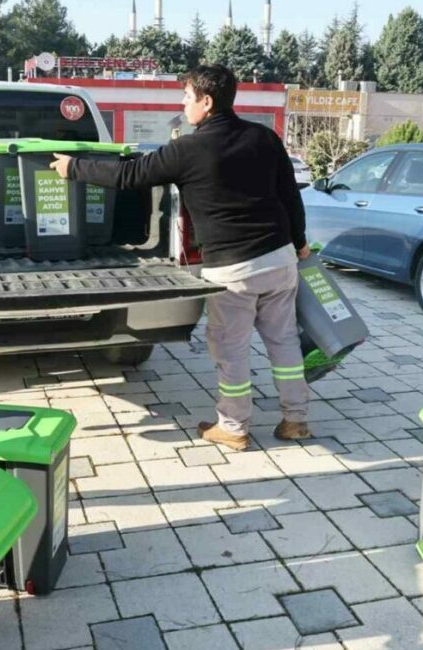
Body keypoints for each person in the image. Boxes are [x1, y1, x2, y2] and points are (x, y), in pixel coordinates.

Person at [50, 64, 311, 452]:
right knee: (285, 342)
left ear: (207, 102)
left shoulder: (188, 150)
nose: (182, 103)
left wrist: (74, 168)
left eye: (186, 97)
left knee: (231, 349)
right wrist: (300, 242)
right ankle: (296, 420)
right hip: (279, 259)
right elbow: (290, 195)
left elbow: (131, 175)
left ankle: (234, 427)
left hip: (233, 270)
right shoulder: (264, 138)